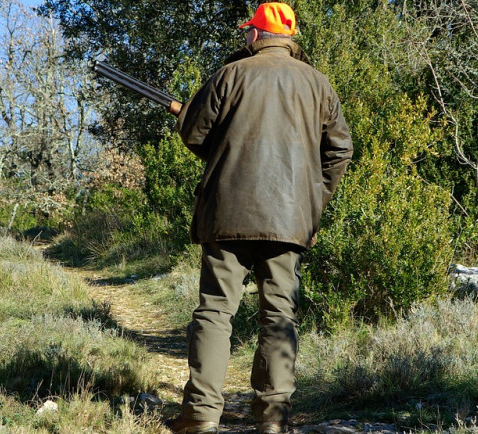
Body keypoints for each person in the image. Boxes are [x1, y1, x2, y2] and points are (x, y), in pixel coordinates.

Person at [167, 3, 353, 433]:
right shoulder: (319, 84)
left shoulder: (231, 75)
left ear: (255, 35)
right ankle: (272, 420)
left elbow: (196, 134)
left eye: (247, 31)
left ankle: (200, 417)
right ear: (290, 38)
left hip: (226, 214)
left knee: (215, 312)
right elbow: (340, 151)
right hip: (291, 221)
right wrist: (313, 200)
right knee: (279, 315)